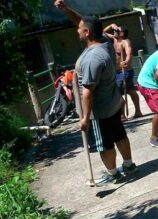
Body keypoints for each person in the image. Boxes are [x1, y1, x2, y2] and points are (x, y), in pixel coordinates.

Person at [54, 0, 137, 185]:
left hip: (100, 110)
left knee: (104, 143)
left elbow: (88, 91)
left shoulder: (92, 58)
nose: (77, 30)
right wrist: (66, 9)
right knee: (119, 134)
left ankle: (113, 173)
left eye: (80, 29)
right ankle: (129, 165)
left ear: (87, 33)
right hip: (113, 102)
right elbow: (83, 22)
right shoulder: (106, 42)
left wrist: (85, 117)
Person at [103, 23, 143, 121]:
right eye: (114, 31)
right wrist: (112, 25)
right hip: (116, 72)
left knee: (117, 93)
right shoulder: (113, 39)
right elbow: (103, 32)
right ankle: (138, 112)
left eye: (117, 30)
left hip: (125, 71)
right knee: (130, 91)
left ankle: (122, 115)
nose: (114, 31)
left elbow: (129, 53)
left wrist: (126, 61)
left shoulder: (125, 42)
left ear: (122, 33)